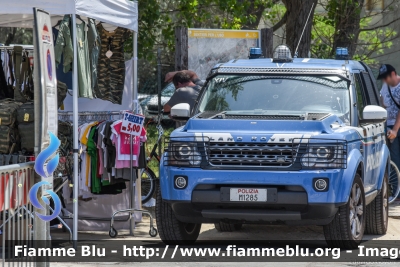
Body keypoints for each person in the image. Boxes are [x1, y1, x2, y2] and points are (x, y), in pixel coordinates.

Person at [379, 64, 400, 169]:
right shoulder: (385, 86)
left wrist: (395, 130)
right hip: (390, 127)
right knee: (394, 160)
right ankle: (396, 185)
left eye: (385, 77)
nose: (384, 80)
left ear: (393, 74)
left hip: (396, 127)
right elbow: (382, 104)